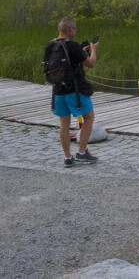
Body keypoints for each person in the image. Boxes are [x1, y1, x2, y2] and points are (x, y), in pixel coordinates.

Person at [50, 17, 99, 168]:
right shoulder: (72, 45)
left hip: (58, 91)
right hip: (75, 91)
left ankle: (67, 158)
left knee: (64, 124)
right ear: (70, 29)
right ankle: (82, 153)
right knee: (89, 118)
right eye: (75, 29)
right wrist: (94, 50)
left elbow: (68, 60)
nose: (75, 31)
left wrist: (81, 52)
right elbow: (90, 64)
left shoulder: (51, 44)